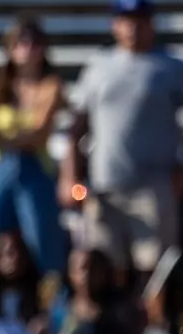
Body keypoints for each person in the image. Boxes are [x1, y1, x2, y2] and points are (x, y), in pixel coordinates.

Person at [64, 0, 183, 275]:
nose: (133, 28)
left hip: (154, 187)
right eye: (126, 20)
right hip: (105, 186)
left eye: (140, 20)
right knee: (105, 267)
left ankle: (155, 319)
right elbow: (76, 127)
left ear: (151, 24)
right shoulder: (98, 66)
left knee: (156, 271)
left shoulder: (170, 67)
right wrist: (70, 175)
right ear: (115, 24)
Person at [0, 21, 67, 279]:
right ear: (10, 48)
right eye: (21, 42)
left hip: (35, 167)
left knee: (43, 245)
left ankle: (49, 304)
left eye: (34, 42)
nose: (28, 48)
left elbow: (38, 135)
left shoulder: (50, 85)